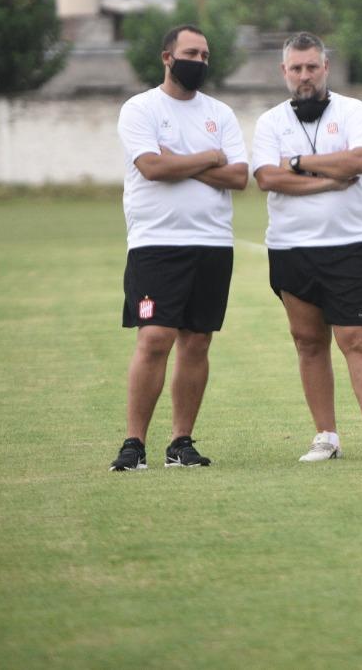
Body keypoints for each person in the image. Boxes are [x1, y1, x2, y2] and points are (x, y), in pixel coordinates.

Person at [109, 24, 249, 471]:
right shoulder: (140, 108)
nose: (200, 62)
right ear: (167, 57)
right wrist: (210, 157)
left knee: (197, 342)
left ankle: (180, 442)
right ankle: (134, 444)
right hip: (156, 243)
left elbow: (239, 177)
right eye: (192, 53)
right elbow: (151, 166)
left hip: (211, 243)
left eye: (206, 55)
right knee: (154, 339)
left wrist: (182, 162)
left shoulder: (220, 114)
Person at [251, 32, 362, 463]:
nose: (304, 75)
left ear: (325, 67)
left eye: (312, 66)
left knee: (358, 338)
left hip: (348, 245)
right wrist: (329, 180)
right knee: (308, 341)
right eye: (296, 68)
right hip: (290, 247)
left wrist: (297, 163)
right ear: (284, 72)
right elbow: (265, 178)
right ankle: (326, 437)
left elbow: (359, 161)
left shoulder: (354, 110)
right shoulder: (271, 121)